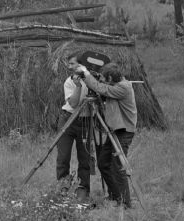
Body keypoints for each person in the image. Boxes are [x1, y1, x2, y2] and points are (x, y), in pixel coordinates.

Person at [77, 62, 137, 208]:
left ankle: (126, 203)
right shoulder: (117, 85)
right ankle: (116, 196)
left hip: (124, 131)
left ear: (111, 77)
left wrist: (86, 74)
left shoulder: (123, 87)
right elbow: (103, 91)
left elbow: (101, 89)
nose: (102, 80)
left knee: (118, 167)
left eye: (105, 78)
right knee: (104, 163)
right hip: (115, 130)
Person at [55, 52, 107, 202]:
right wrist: (78, 86)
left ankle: (83, 192)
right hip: (68, 119)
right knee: (63, 157)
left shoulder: (91, 79)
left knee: (84, 158)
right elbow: (73, 103)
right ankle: (62, 190)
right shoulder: (69, 82)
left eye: (72, 64)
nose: (69, 67)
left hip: (85, 121)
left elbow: (101, 95)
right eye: (69, 64)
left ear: (82, 65)